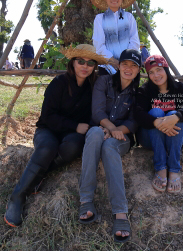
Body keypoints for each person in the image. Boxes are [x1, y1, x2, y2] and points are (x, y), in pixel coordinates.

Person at [4, 44, 108, 228]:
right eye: (80, 61)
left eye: (90, 63)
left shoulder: (94, 87)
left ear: (94, 67)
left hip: (71, 135)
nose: (85, 66)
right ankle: (17, 196)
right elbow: (48, 116)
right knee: (47, 148)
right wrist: (75, 125)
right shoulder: (59, 83)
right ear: (72, 63)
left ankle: (39, 174)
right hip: (48, 129)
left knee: (75, 147)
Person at [79, 49, 141, 243]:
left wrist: (115, 132)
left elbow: (133, 122)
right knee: (96, 132)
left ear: (138, 70)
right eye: (125, 64)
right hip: (100, 129)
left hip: (120, 138)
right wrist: (110, 127)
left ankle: (120, 212)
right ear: (118, 65)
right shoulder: (103, 81)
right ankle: (86, 199)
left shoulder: (138, 92)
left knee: (109, 147)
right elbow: (97, 111)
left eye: (133, 66)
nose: (128, 69)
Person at [135, 55, 183, 193]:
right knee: (155, 112)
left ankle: (174, 169)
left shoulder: (180, 88)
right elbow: (138, 113)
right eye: (151, 72)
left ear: (166, 69)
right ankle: (160, 167)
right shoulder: (144, 91)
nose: (156, 75)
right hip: (150, 138)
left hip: (176, 136)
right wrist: (155, 122)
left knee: (172, 114)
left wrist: (176, 117)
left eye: (159, 69)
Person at [90, 0, 140, 75]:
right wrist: (113, 61)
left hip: (128, 67)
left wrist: (125, 62)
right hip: (106, 67)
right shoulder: (100, 18)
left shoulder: (129, 17)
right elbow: (99, 44)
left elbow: (134, 41)